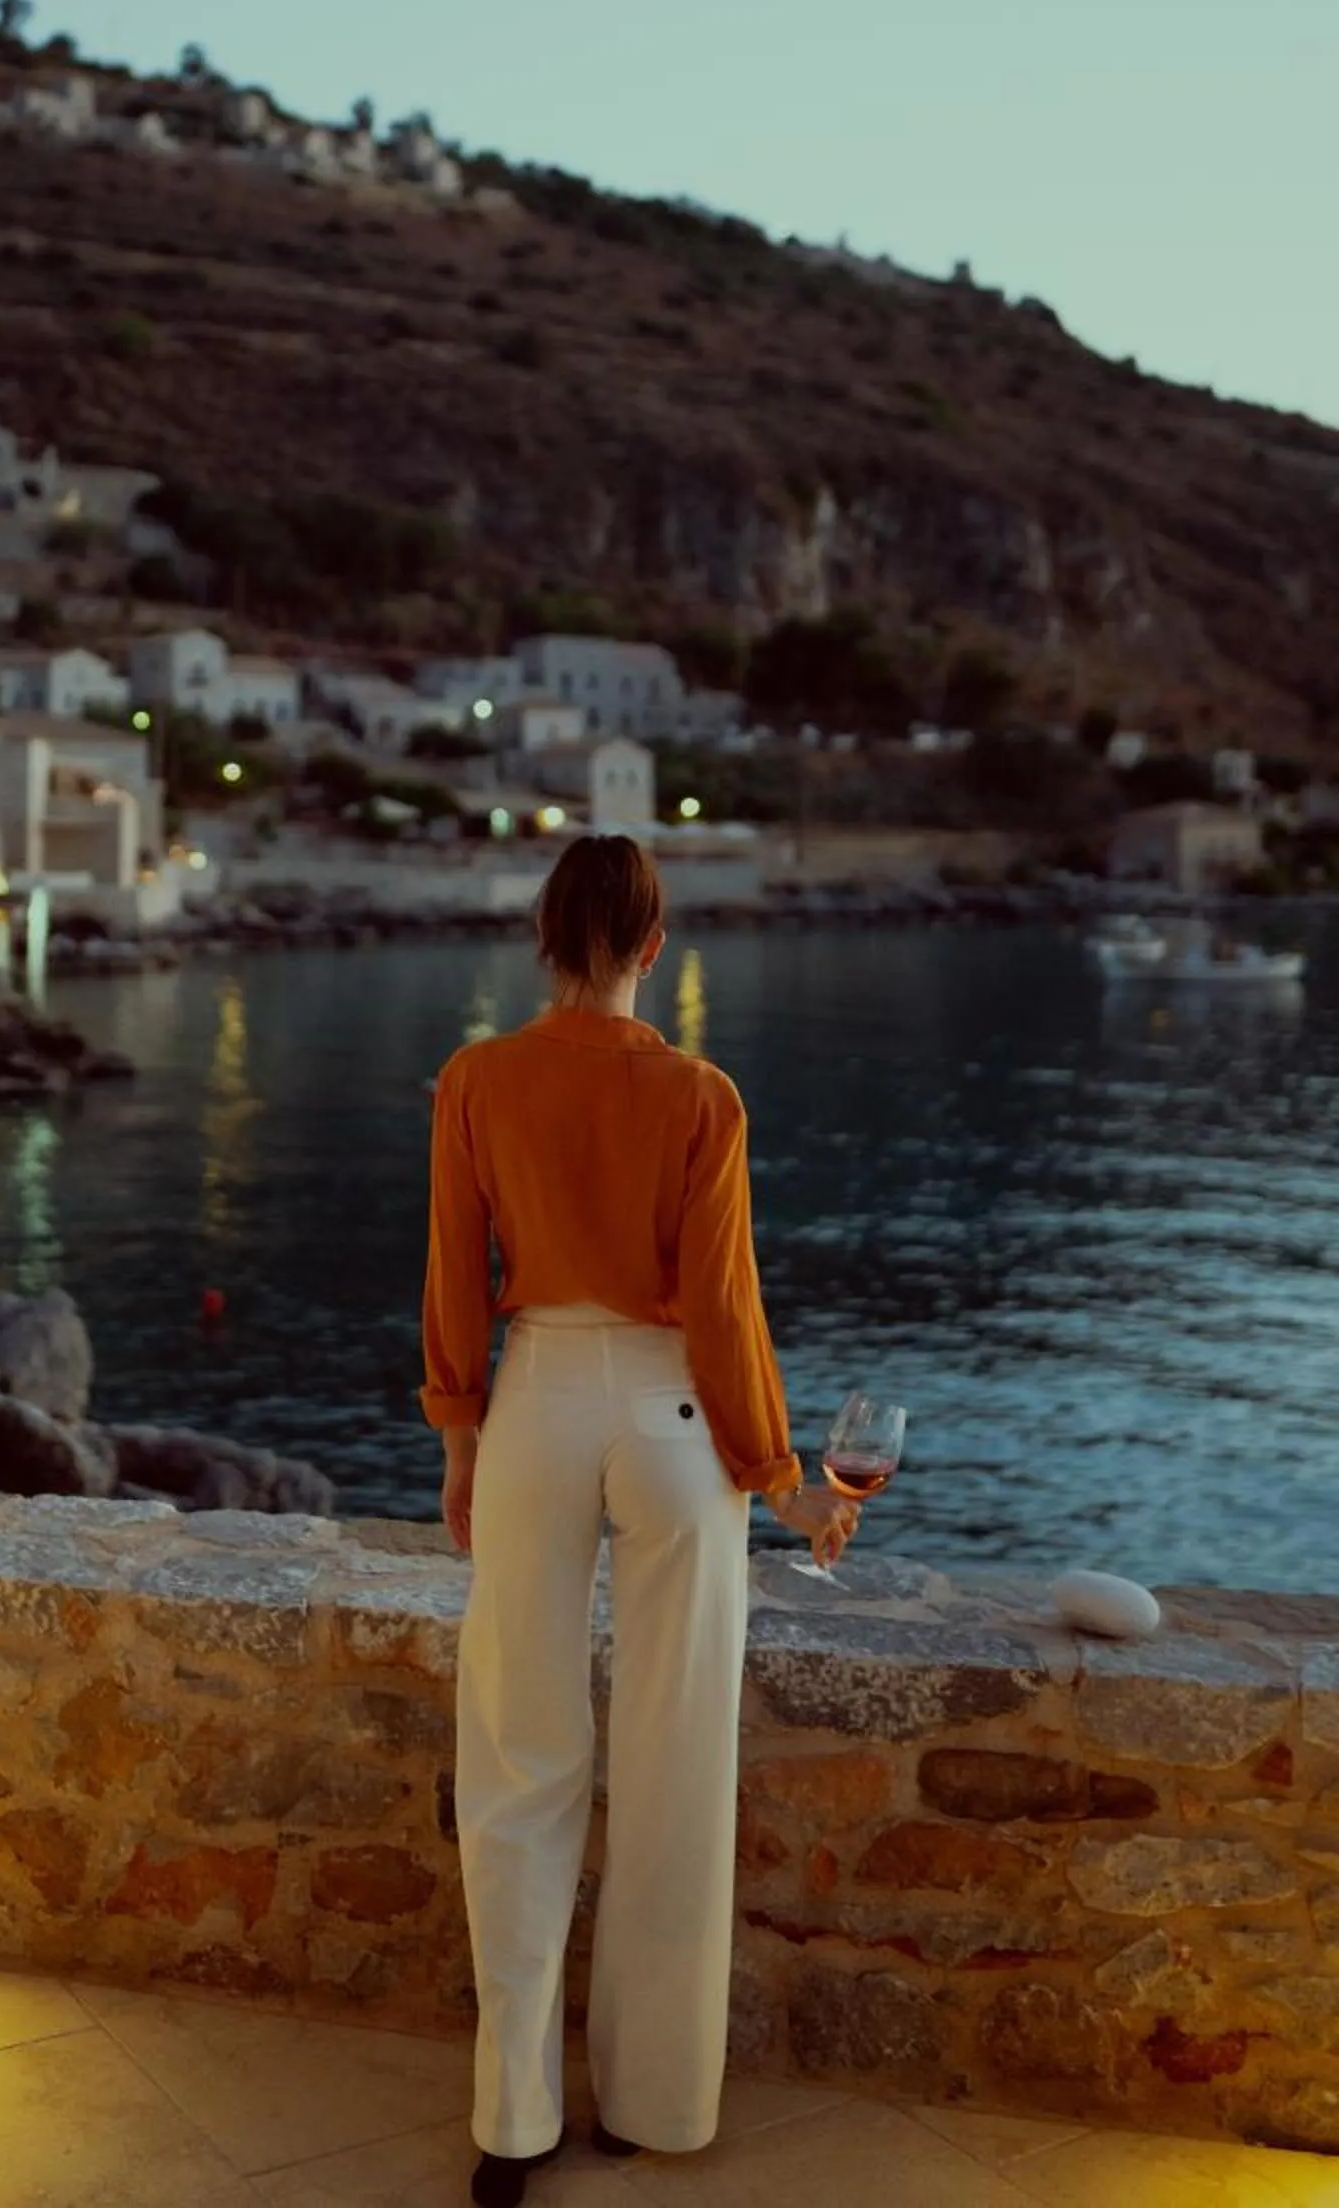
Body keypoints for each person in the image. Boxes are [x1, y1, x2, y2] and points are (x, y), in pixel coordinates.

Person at [419, 833, 854, 2208]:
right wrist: (778, 1472)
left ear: (543, 940)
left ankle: (512, 2122)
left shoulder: (477, 1080)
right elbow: (723, 1310)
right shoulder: (698, 1097)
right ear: (652, 948)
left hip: (535, 1405)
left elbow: (447, 1271)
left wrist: (458, 1435)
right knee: (674, 1762)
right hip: (672, 1426)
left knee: (518, 1757)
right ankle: (654, 2108)